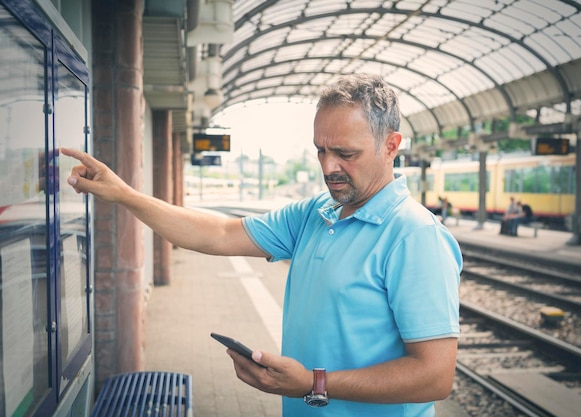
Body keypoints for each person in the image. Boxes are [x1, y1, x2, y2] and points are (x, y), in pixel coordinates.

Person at [62, 73, 462, 417]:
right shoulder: (316, 213)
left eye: (345, 153)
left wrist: (313, 382)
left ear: (392, 145)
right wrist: (125, 195)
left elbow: (434, 376)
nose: (328, 167)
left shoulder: (415, 237)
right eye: (321, 150)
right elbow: (217, 234)